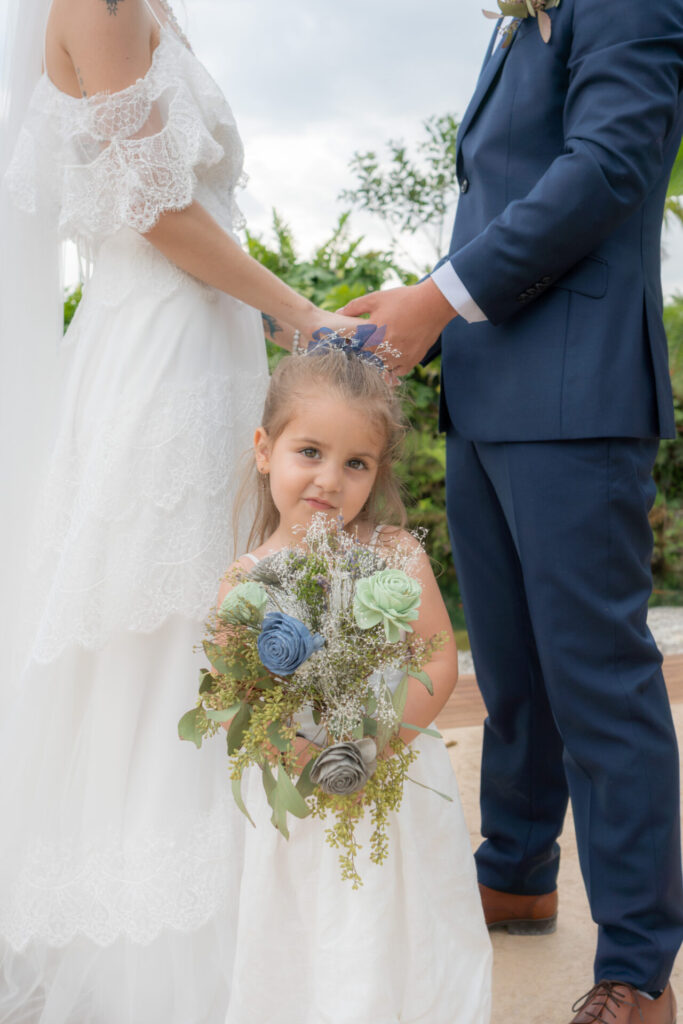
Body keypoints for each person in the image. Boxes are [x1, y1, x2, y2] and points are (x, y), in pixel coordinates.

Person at [0, 0, 360, 1019]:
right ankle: (149, 968)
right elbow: (152, 209)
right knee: (155, 632)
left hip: (209, 353)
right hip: (155, 358)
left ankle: (252, 925)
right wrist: (304, 315)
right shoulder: (93, 1)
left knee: (221, 621)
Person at [341, 0, 683, 1020]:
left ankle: (633, 961)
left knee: (596, 679)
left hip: (576, 392)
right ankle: (517, 870)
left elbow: (608, 165)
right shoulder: (515, 25)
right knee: (512, 664)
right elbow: (502, 195)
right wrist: (424, 314)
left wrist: (434, 298)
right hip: (486, 388)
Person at [217, 344, 492, 1024]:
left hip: (393, 783)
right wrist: (291, 750)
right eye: (309, 451)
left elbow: (435, 661)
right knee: (309, 927)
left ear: (376, 472)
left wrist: (373, 743)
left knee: (405, 922)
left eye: (355, 463)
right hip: (302, 795)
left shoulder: (394, 554)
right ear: (264, 449)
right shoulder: (246, 579)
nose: (329, 480)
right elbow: (232, 697)